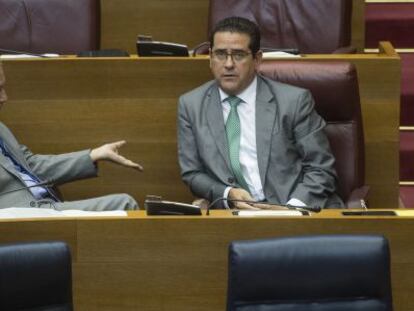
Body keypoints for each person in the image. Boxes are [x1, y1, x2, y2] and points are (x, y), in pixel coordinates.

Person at [177, 16, 344, 209]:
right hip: (236, 215)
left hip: (295, 208)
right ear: (210, 58)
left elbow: (321, 169)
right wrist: (228, 194)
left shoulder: (294, 101)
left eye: (238, 55)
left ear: (257, 60)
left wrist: (291, 210)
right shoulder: (191, 105)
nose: (229, 64)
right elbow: (192, 173)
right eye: (221, 54)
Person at [0, 63, 142, 210]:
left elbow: (31, 165)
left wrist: (94, 155)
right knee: (125, 204)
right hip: (20, 215)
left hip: (46, 204)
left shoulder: (1, 127)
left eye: (3, 88)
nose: (5, 97)